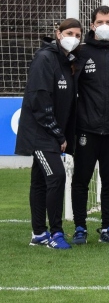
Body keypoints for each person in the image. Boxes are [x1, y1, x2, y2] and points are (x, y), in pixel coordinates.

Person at [18, 18, 82, 250]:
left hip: (51, 132)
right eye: (69, 33)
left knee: (40, 181)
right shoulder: (45, 58)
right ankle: (55, 233)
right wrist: (58, 134)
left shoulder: (68, 61)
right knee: (56, 176)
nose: (73, 38)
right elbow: (39, 99)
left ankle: (38, 234)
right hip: (40, 132)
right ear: (58, 33)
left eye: (78, 35)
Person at [71, 6, 109, 245]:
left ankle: (107, 227)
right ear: (92, 25)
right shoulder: (80, 51)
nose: (104, 25)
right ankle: (80, 227)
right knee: (81, 180)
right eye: (100, 22)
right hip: (86, 129)